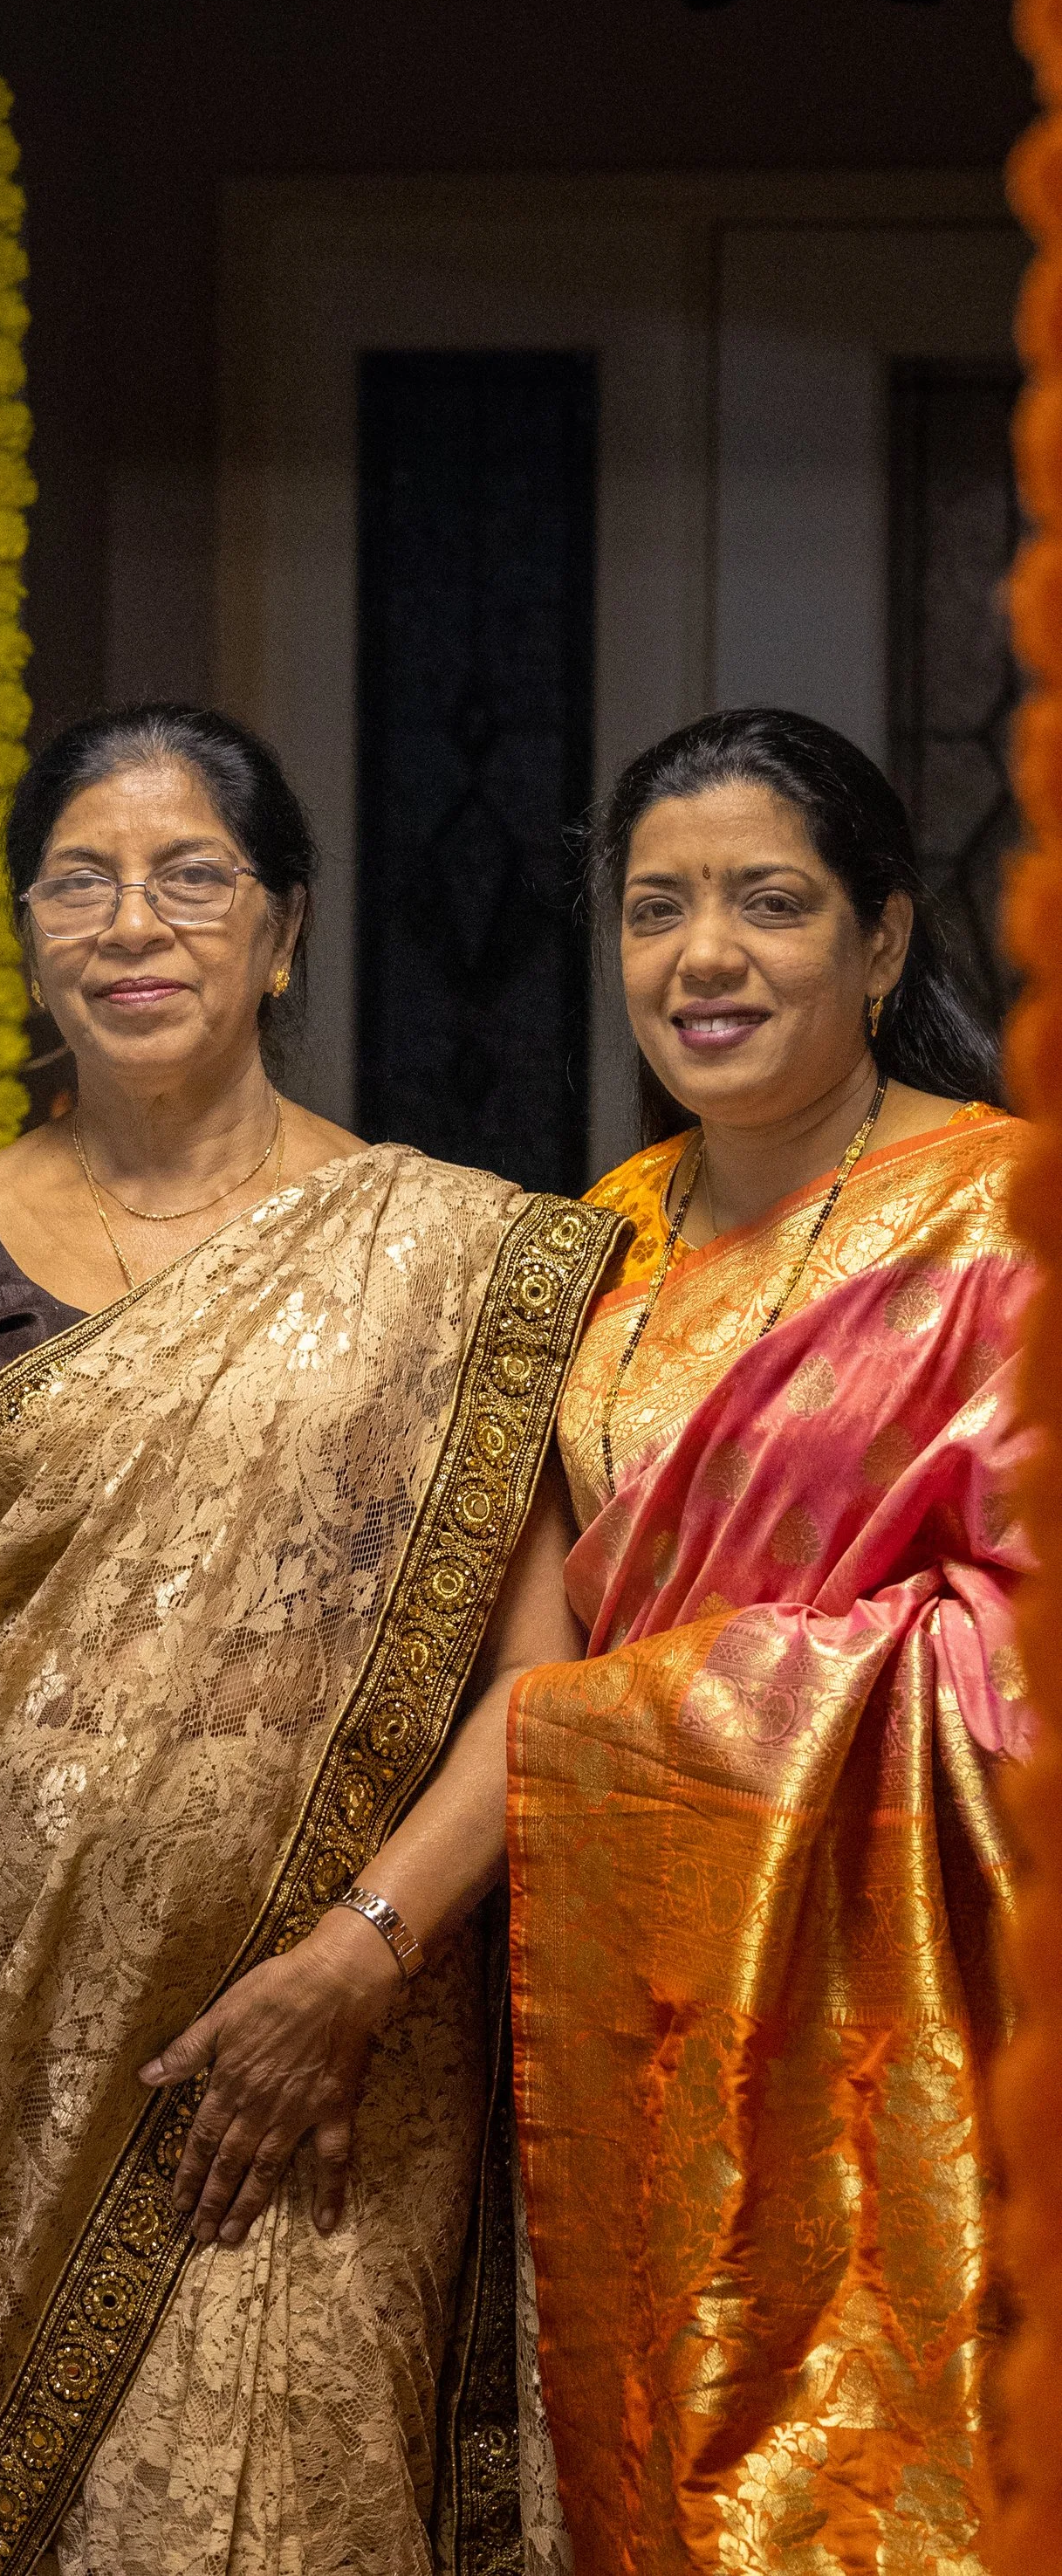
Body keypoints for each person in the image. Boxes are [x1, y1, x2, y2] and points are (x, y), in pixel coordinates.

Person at [0, 703, 624, 2576]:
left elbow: (536, 1686)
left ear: (283, 928)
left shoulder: (460, 1259)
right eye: (76, 881)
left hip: (330, 2092)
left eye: (186, 877)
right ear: (23, 935)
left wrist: (358, 1958)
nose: (128, 923)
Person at [506, 706, 1029, 2575]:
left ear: (881, 941)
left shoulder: (998, 1221)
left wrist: (637, 1731)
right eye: (654, 910)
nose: (700, 957)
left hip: (908, 2032)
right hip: (621, 2001)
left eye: (766, 904)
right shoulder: (596, 1243)